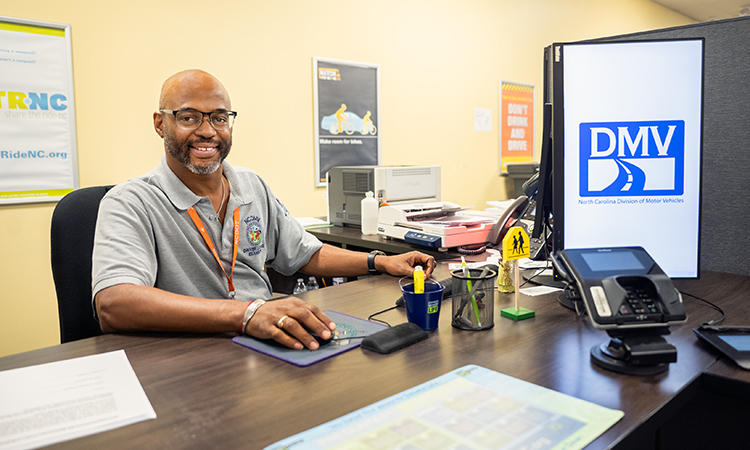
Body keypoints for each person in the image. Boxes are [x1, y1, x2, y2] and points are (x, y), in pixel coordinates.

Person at [92, 69, 435, 351]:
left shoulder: (250, 185)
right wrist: (247, 313)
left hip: (265, 342)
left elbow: (302, 254)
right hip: (188, 353)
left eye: (219, 118)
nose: (207, 131)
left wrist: (378, 261)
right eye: (188, 117)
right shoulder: (129, 202)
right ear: (159, 123)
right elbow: (114, 304)